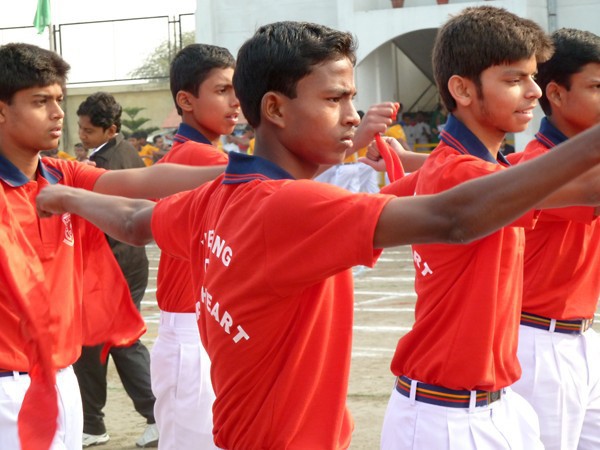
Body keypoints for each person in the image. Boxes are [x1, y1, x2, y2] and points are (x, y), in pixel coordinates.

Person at [35, 21, 600, 450]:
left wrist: (65, 197)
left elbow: (135, 221)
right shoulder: (293, 207)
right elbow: (454, 218)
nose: (353, 115)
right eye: (334, 100)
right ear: (275, 109)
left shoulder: (219, 197)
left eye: (351, 97)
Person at [377, 7, 600, 449]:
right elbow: (586, 185)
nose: (533, 91)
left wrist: (406, 161)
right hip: (450, 413)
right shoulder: (464, 174)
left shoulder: (474, 169)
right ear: (461, 89)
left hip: (491, 397)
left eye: (532, 77)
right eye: (514, 79)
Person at [0, 42, 224, 450]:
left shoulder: (61, 173)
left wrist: (253, 171)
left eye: (58, 99)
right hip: (8, 388)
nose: (58, 113)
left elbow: (144, 184)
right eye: (40, 101)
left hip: (62, 379)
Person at [508, 28, 600, 450]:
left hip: (580, 338)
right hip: (539, 345)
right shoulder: (540, 164)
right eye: (597, 87)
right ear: (557, 95)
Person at [151, 43, 237, 450]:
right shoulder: (203, 158)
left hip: (197, 326)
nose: (236, 102)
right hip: (192, 329)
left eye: (237, 90)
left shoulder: (190, 153)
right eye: (222, 90)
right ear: (186, 101)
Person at [75, 91, 158, 448]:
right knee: (96, 342)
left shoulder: (104, 164)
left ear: (110, 130)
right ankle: (94, 422)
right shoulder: (123, 153)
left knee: (117, 340)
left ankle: (153, 414)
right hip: (124, 261)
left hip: (113, 264)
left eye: (88, 130)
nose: (82, 135)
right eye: (80, 128)